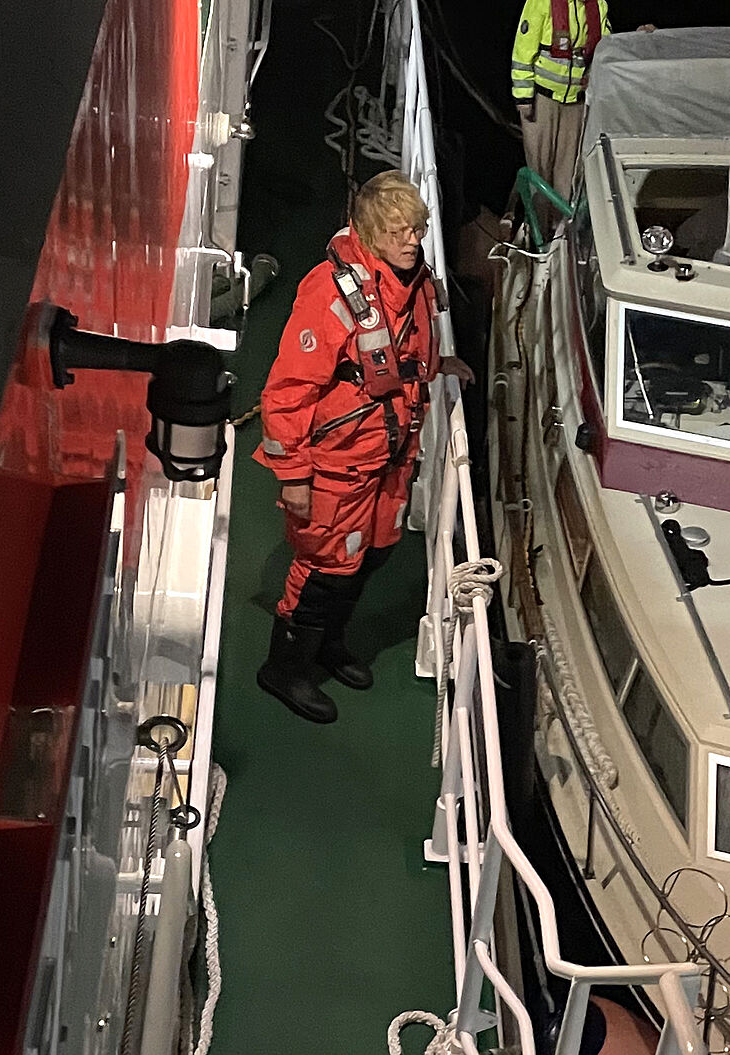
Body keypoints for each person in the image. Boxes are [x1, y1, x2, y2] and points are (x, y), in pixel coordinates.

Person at [252, 170, 473, 723]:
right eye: (400, 232)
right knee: (326, 566)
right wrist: (295, 476)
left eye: (418, 230)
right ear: (371, 234)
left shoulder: (413, 282)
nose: (414, 242)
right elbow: (287, 393)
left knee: (372, 553)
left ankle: (327, 643)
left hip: (391, 456)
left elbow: (404, 351)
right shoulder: (330, 295)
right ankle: (286, 668)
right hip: (337, 464)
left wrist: (439, 365)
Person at [510, 0, 610, 202]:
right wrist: (524, 97)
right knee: (539, 171)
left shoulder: (598, 5)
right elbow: (523, 49)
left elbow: (606, 48)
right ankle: (538, 228)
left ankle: (560, 230)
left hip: (576, 103)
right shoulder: (541, 2)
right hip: (542, 101)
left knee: (568, 173)